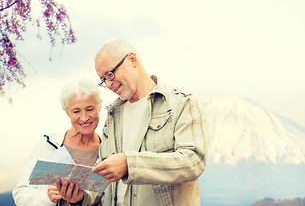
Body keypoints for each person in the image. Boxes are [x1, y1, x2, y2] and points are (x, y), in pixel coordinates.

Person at [59, 39, 207, 206]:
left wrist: (130, 164)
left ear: (132, 60)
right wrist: (81, 197)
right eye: (103, 80)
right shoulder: (113, 115)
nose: (108, 84)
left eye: (110, 75)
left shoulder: (181, 104)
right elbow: (102, 178)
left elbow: (194, 161)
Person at [13, 77, 103, 206]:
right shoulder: (47, 145)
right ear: (67, 113)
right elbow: (20, 194)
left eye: (90, 109)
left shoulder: (108, 150)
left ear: (99, 106)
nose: (84, 118)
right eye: (76, 111)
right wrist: (46, 197)